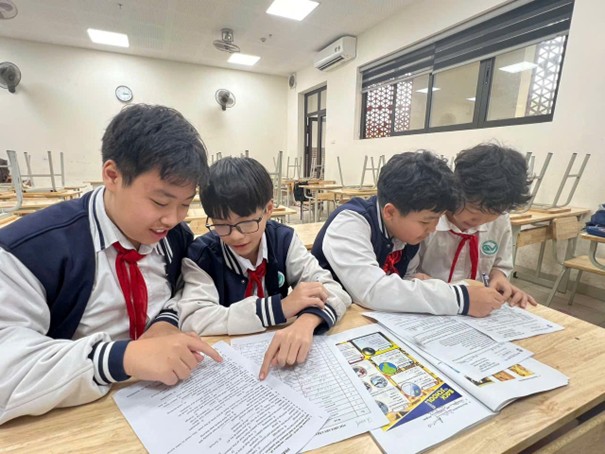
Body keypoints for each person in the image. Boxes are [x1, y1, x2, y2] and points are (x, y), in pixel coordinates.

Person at [0, 104, 221, 425]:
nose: (173, 218)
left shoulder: (175, 238)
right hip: (71, 417)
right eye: (160, 201)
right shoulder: (30, 250)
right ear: (112, 176)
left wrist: (166, 320)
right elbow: (7, 369)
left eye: (185, 204)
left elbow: (187, 286)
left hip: (159, 405)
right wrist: (121, 357)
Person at [178, 157, 351, 380]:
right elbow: (193, 318)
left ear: (268, 209)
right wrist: (278, 309)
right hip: (226, 367)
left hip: (277, 361)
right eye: (221, 224)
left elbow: (333, 290)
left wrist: (308, 320)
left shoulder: (283, 240)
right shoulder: (201, 256)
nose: (236, 235)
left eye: (246, 222)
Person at [312, 150, 506, 317]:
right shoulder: (350, 223)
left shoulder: (408, 234)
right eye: (426, 221)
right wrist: (460, 298)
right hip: (326, 319)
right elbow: (371, 291)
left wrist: (418, 280)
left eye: (437, 219)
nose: (433, 229)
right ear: (390, 212)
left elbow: (406, 276)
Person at [418, 143, 537, 308]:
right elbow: (408, 273)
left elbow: (499, 264)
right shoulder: (426, 220)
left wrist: (498, 277)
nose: (479, 221)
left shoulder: (500, 220)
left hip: (480, 308)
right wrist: (451, 293)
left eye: (492, 214)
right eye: (473, 210)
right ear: (456, 190)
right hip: (429, 302)